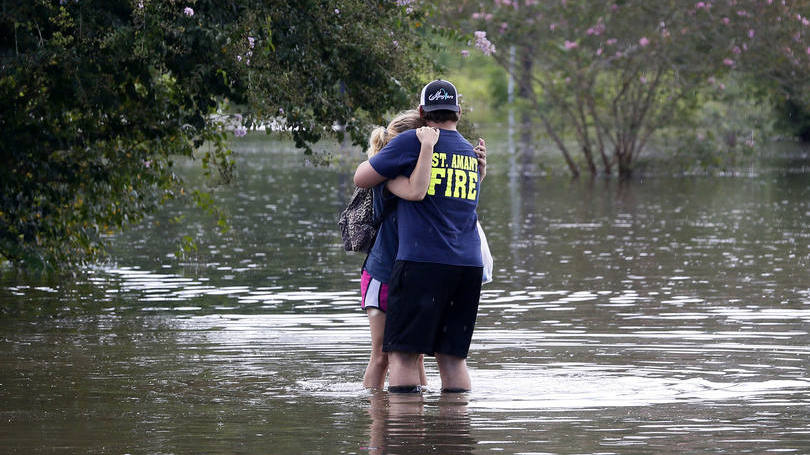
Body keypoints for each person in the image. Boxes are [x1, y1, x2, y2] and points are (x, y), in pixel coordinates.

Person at [354, 80, 486, 394]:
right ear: (459, 112)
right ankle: (453, 437)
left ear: (421, 111)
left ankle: (404, 441)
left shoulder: (414, 139)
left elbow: (362, 178)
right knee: (452, 360)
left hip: (422, 263)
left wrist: (400, 159)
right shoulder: (469, 152)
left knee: (402, 356)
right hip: (468, 266)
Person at [360, 110, 436, 389]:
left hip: (410, 275)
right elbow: (416, 190)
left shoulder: (422, 172)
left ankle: (418, 421)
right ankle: (377, 425)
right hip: (381, 274)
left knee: (416, 357)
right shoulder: (389, 177)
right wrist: (428, 146)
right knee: (381, 356)